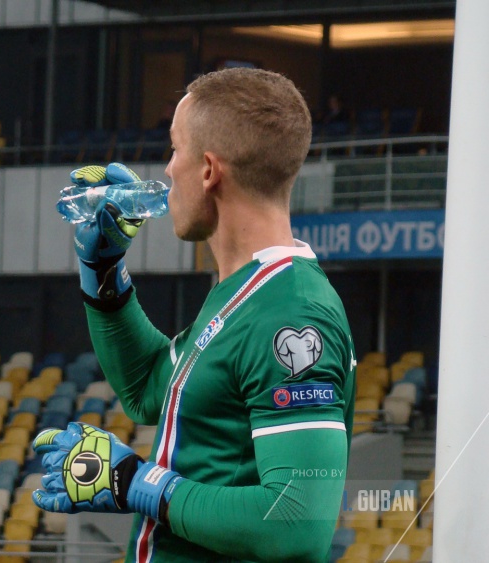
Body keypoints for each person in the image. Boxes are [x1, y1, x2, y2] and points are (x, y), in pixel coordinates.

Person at [32, 68, 357, 562]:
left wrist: (135, 483)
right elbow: (146, 390)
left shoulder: (291, 314)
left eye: (174, 149)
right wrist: (102, 270)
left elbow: (296, 524)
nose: (167, 170)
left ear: (208, 171)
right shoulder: (246, 293)